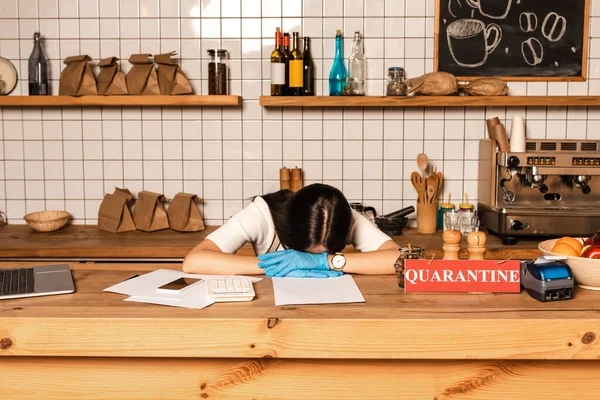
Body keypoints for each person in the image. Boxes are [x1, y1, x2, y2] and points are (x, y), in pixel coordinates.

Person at [183, 184, 401, 277]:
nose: (310, 260)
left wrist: (327, 263)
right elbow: (194, 261)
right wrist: (275, 266)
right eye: (305, 254)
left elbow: (402, 260)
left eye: (325, 252)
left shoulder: (347, 217)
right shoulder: (261, 214)